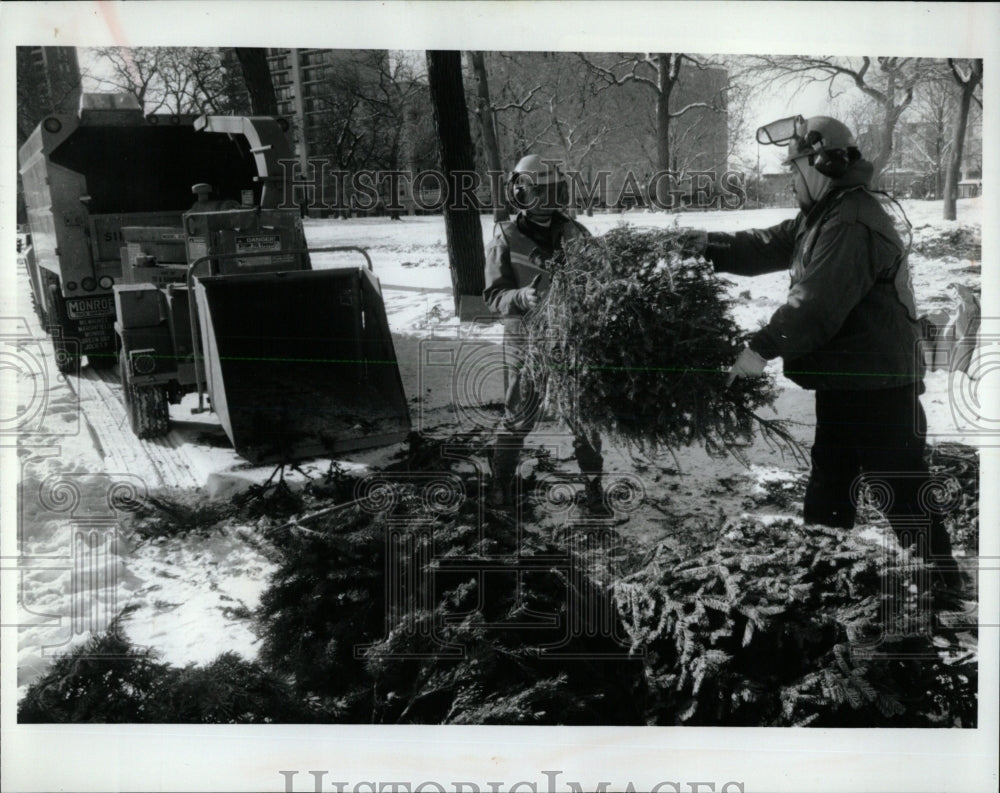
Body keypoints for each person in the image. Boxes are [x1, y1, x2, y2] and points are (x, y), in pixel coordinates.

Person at [684, 115, 965, 600]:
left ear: (821, 163)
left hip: (879, 385)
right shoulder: (825, 213)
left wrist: (760, 348)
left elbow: (815, 304)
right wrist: (709, 247)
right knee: (830, 481)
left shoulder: (850, 221)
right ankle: (823, 572)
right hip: (848, 378)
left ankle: (941, 585)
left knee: (898, 488)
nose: (790, 181)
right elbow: (770, 243)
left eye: (794, 169)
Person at [483, 154, 605, 510]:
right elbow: (493, 295)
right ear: (522, 193)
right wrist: (521, 296)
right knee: (518, 414)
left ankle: (594, 488)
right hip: (526, 341)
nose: (547, 200)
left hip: (572, 341)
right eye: (540, 192)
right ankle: (500, 484)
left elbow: (600, 277)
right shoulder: (505, 238)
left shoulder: (576, 234)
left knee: (584, 416)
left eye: (553, 192)